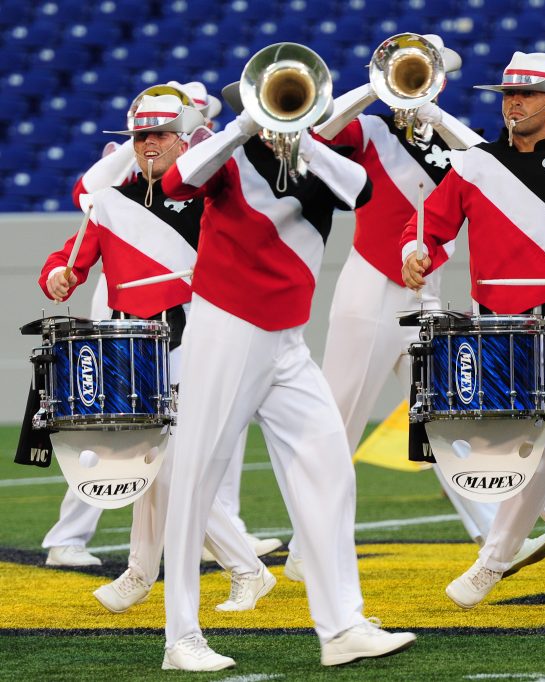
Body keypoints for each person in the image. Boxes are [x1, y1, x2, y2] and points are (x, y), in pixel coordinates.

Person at [159, 75, 415, 671]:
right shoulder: (227, 152)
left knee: (328, 468)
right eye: (271, 101)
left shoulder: (320, 162)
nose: (279, 113)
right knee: (197, 476)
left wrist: (305, 138)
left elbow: (363, 191)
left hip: (287, 339)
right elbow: (176, 180)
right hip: (227, 327)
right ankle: (181, 638)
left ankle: (342, 626)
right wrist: (243, 126)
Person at [301, 33, 545, 583]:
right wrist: (374, 91)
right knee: (338, 419)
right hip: (370, 287)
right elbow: (311, 130)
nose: (410, 84)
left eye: (422, 73)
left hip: (427, 290)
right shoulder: (367, 128)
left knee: (447, 415)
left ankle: (493, 537)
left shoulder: (450, 137)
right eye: (406, 73)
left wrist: (430, 111)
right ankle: (307, 546)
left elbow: (495, 168)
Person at [400, 51, 545, 610]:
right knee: (536, 458)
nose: (514, 103)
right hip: (491, 332)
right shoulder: (473, 165)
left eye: (526, 95)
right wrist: (415, 255)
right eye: (508, 95)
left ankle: (493, 560)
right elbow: (429, 229)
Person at [40, 94, 275, 615]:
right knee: (152, 466)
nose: (149, 145)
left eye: (161, 135)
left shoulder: (213, 194)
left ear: (182, 139)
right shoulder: (110, 201)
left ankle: (242, 569)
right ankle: (142, 571)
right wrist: (58, 276)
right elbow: (71, 259)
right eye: (141, 136)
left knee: (169, 469)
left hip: (195, 341)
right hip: (133, 353)